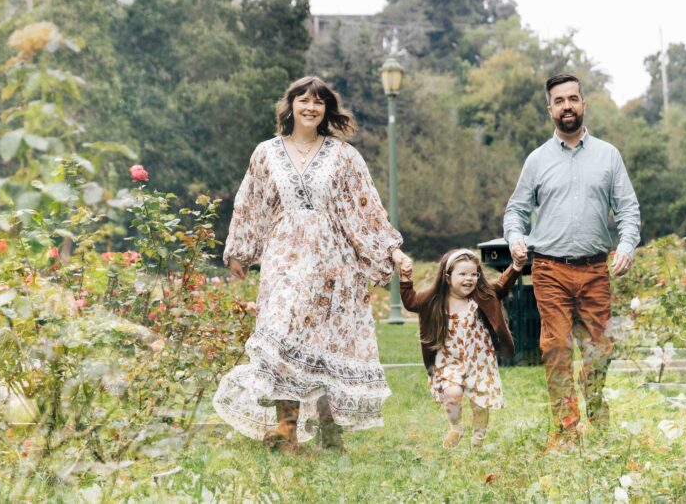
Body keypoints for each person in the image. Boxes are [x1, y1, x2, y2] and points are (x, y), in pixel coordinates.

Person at [213, 76, 414, 453]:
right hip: (284, 258)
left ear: (327, 110)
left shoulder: (343, 155)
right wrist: (240, 249)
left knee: (325, 340)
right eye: (303, 100)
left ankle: (329, 429)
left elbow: (366, 210)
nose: (311, 107)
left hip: (332, 262)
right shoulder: (266, 152)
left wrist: (392, 250)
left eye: (319, 102)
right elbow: (251, 202)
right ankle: (286, 428)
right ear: (289, 106)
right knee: (283, 329)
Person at [503, 73, 640, 450]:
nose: (567, 106)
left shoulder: (608, 155)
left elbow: (628, 209)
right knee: (557, 346)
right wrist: (516, 238)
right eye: (559, 100)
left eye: (573, 99)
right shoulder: (537, 161)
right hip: (550, 268)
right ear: (550, 109)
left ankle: (595, 414)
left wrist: (627, 244)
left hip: (596, 268)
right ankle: (566, 428)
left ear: (583, 104)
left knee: (598, 350)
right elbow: (515, 211)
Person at [399, 248, 523, 448]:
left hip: (479, 359)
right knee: (452, 394)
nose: (469, 279)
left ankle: (478, 439)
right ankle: (456, 427)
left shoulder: (482, 296)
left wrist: (516, 266)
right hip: (449, 358)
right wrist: (405, 278)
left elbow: (502, 285)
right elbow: (411, 301)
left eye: (474, 274)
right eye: (463, 274)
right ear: (447, 278)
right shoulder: (435, 300)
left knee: (480, 403)